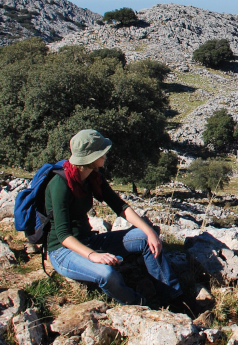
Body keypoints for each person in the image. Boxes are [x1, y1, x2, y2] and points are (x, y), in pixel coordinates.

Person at [45, 129, 182, 306]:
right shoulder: (60, 185)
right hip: (63, 251)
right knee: (107, 274)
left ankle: (172, 298)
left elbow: (120, 207)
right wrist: (93, 255)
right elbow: (63, 235)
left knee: (145, 238)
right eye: (101, 152)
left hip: (88, 240)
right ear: (90, 157)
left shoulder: (92, 177)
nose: (106, 155)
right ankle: (139, 305)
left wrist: (149, 232)